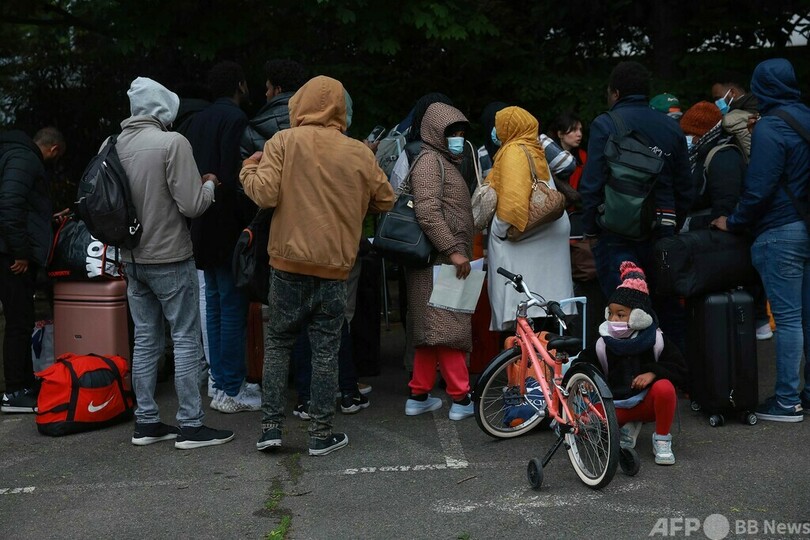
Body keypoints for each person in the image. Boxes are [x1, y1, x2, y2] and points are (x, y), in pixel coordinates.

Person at [240, 75, 394, 456]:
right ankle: (321, 434)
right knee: (326, 350)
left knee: (278, 344)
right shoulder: (358, 151)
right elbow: (386, 199)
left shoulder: (282, 143)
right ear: (341, 108)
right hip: (334, 266)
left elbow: (264, 193)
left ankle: (271, 429)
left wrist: (248, 167)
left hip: (286, 263)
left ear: (300, 104)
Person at [117, 76, 233, 448]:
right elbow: (192, 205)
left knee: (147, 339)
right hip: (169, 253)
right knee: (184, 337)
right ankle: (191, 425)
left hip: (131, 258)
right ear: (165, 109)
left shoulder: (113, 144)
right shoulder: (172, 142)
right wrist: (211, 184)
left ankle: (147, 421)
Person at [711, 58, 810, 422]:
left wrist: (734, 221)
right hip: (806, 228)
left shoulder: (770, 128)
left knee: (787, 320)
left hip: (780, 233)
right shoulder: (804, 119)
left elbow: (759, 188)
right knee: (807, 318)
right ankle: (808, 393)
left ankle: (786, 401)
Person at [579, 60, 692, 351]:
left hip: (617, 231)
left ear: (615, 93)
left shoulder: (606, 124)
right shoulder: (671, 128)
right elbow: (685, 187)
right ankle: (673, 375)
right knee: (666, 303)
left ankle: (631, 383)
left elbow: (592, 182)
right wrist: (673, 224)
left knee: (623, 307)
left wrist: (590, 229)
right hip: (663, 229)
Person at [183, 61, 260, 414]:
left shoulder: (196, 121)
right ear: (240, 85)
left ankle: (219, 384)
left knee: (214, 304)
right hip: (228, 223)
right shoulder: (236, 121)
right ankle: (231, 387)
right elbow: (237, 175)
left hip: (201, 221)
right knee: (231, 308)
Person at [403, 102, 476, 421]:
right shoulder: (431, 161)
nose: (458, 137)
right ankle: (461, 398)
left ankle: (418, 393)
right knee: (449, 328)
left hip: (438, 260)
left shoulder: (437, 159)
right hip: (441, 260)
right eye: (452, 132)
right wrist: (454, 251)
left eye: (461, 132)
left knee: (431, 329)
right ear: (435, 132)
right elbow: (428, 212)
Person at [577, 262, 687, 465]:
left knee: (665, 388)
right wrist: (585, 379)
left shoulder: (656, 339)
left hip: (646, 405)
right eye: (610, 313)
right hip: (614, 407)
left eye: (620, 314)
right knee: (581, 427)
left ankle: (662, 439)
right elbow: (584, 362)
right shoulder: (603, 342)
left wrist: (653, 373)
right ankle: (626, 425)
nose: (613, 319)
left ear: (638, 316)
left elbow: (680, 368)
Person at [486, 106, 574, 334]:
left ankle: (522, 361)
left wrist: (498, 231)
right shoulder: (535, 147)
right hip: (550, 230)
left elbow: (512, 203)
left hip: (526, 236)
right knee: (548, 304)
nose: (496, 131)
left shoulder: (513, 150)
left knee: (524, 309)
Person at [0, 127, 65, 413]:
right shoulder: (25, 159)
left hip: (9, 248)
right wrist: (21, 252)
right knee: (18, 321)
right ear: (53, 149)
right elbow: (9, 204)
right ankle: (14, 392)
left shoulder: (12, 153)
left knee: (21, 319)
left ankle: (24, 385)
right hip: (10, 254)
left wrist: (46, 221)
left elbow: (21, 207)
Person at [240, 59, 307, 159]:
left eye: (268, 88)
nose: (266, 93)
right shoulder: (320, 125)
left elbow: (242, 172)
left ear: (278, 90)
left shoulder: (252, 131)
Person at [710, 71, 759, 157]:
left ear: (732, 93)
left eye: (718, 98)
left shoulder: (733, 121)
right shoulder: (757, 105)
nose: (716, 103)